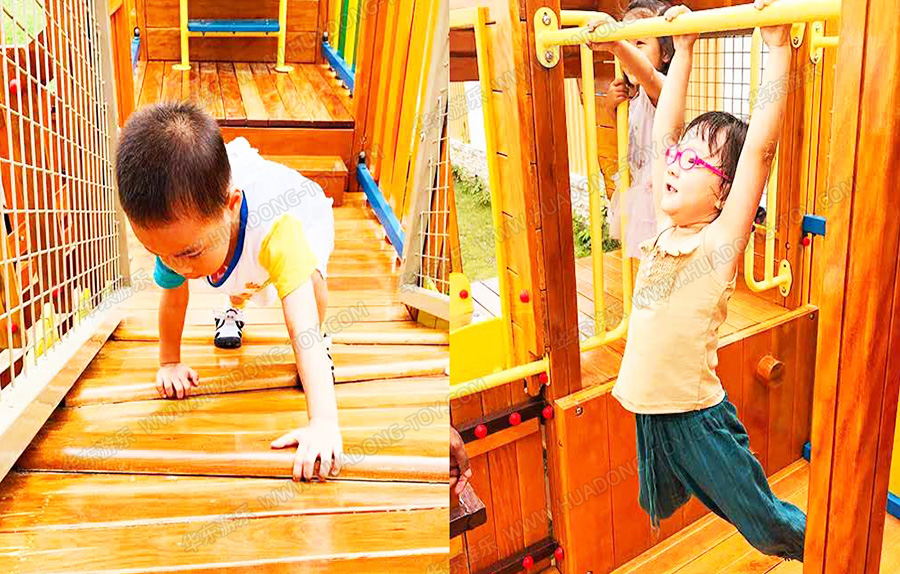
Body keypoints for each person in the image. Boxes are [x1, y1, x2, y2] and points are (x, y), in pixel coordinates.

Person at [610, 0, 806, 561]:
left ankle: (825, 544)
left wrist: (776, 50)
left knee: (761, 522)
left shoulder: (718, 243)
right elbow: (665, 129)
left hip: (697, 418)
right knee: (668, 500)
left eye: (694, 162)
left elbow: (760, 151)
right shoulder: (663, 227)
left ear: (723, 193)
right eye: (677, 157)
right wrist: (685, 52)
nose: (673, 163)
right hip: (652, 413)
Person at [115, 101, 340, 482]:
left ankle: (323, 342)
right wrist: (169, 361)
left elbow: (300, 327)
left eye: (188, 253)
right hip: (230, 234)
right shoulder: (175, 239)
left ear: (231, 206)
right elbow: (174, 296)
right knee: (230, 277)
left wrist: (323, 423)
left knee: (309, 290)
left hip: (301, 213)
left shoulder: (279, 232)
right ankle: (233, 307)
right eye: (158, 252)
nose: (176, 266)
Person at [588, 0, 675, 260]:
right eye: (627, 40)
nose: (629, 50)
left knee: (660, 257)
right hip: (637, 189)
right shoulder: (633, 96)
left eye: (639, 43)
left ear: (665, 53)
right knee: (640, 259)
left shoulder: (662, 88)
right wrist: (612, 110)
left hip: (658, 194)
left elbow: (647, 73)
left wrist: (616, 44)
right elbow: (628, 138)